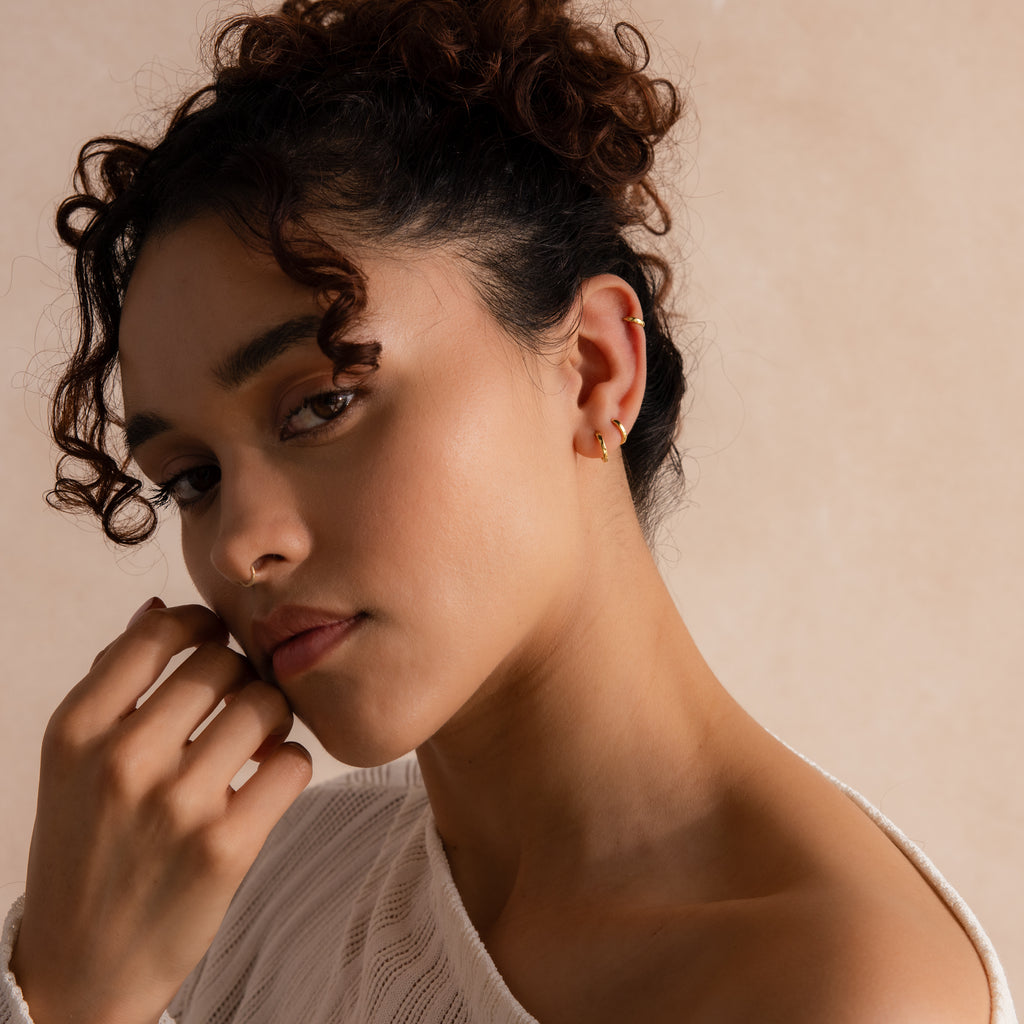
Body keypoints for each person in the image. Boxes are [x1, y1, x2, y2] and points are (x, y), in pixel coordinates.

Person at [0, 0, 1016, 1021]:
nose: (240, 545)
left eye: (322, 404)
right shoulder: (248, 889)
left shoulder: (839, 990)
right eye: (192, 478)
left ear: (591, 370)